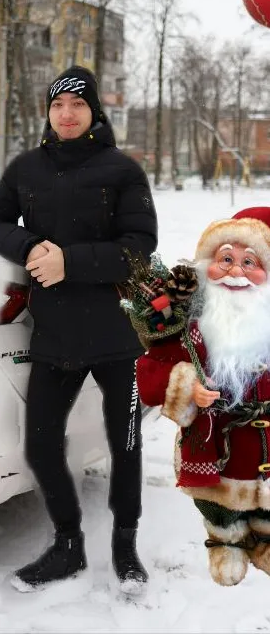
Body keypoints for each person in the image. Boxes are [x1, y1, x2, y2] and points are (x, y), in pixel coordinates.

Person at [0, 65, 157, 593]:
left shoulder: (122, 170)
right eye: (58, 106)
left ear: (94, 111)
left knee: (125, 443)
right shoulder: (27, 168)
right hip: (54, 335)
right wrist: (30, 249)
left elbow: (139, 247)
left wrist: (69, 262)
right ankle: (68, 544)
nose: (67, 114)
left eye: (77, 105)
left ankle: (125, 545)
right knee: (39, 445)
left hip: (114, 335)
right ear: (48, 114)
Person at [136, 207, 270, 587]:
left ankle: (264, 539)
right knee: (219, 504)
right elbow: (150, 372)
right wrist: (187, 386)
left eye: (250, 262)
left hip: (267, 443)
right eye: (225, 259)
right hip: (216, 442)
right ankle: (224, 543)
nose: (236, 271)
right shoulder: (189, 324)